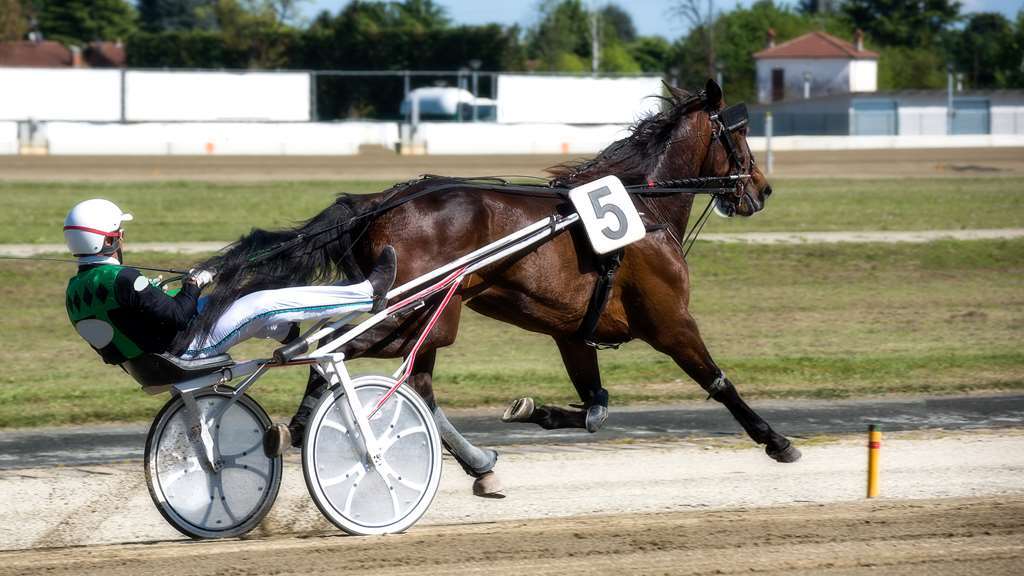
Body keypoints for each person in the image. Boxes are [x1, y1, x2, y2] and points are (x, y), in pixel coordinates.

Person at [63, 199, 396, 452]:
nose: (123, 239)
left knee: (235, 301)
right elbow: (178, 315)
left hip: (151, 361)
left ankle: (286, 329)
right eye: (119, 234)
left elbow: (137, 319)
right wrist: (195, 283)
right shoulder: (124, 279)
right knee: (261, 303)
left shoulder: (75, 292)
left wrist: (167, 294)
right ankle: (366, 294)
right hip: (185, 351)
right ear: (108, 241)